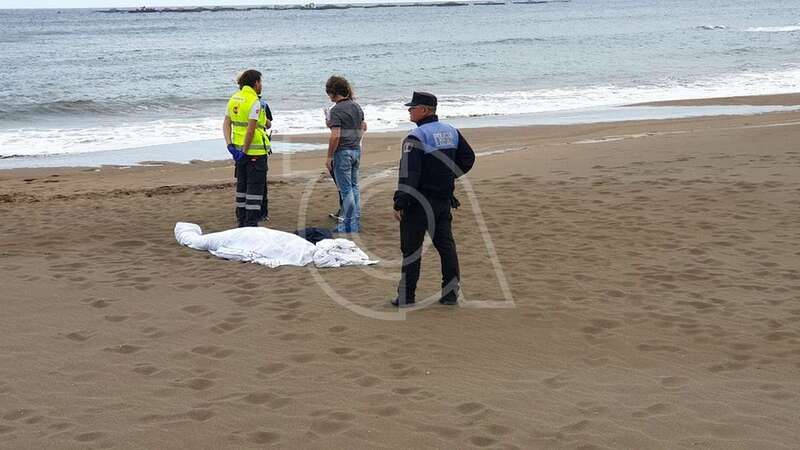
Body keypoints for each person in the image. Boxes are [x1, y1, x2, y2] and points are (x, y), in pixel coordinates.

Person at [391, 92, 475, 307]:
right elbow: (468, 159)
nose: (409, 110)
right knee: (446, 246)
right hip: (443, 199)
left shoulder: (416, 136)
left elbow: (410, 173)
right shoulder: (451, 131)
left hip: (418, 203)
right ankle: (450, 293)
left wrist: (400, 201)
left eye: (413, 107)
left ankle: (406, 296)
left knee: (411, 250)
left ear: (425, 110)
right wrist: (447, 176)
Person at [223, 69, 271, 227]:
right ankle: (251, 223)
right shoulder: (254, 101)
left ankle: (241, 219)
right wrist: (245, 150)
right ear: (256, 83)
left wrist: (230, 145)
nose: (261, 85)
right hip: (255, 152)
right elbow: (251, 129)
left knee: (241, 186)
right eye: (260, 82)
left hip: (237, 151)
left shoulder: (234, 99)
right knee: (254, 189)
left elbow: (226, 124)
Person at [325, 75, 366, 233]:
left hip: (342, 152)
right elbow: (362, 126)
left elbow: (335, 135)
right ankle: (354, 222)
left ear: (333, 93)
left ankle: (348, 224)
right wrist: (355, 141)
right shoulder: (356, 106)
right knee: (354, 187)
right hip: (356, 149)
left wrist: (329, 156)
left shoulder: (336, 110)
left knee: (346, 190)